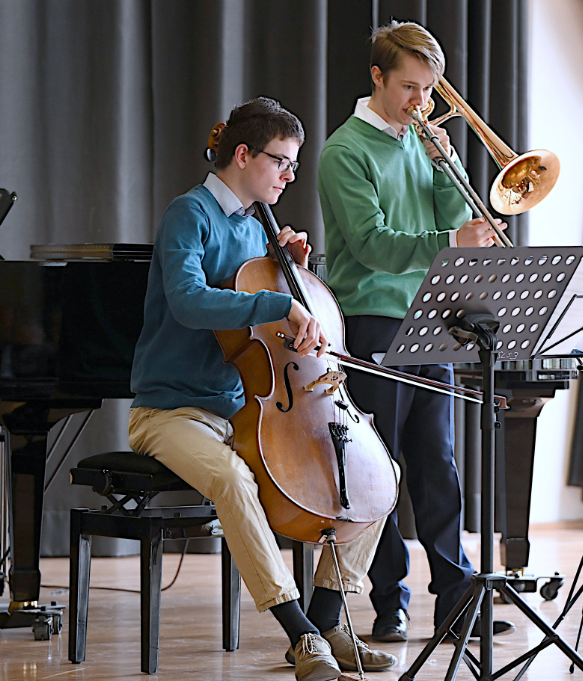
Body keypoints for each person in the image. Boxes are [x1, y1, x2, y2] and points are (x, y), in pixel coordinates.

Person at [129, 97, 397, 681]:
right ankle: (299, 634)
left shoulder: (258, 229)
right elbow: (190, 300)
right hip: (171, 410)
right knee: (232, 477)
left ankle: (330, 622)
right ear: (243, 154)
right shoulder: (189, 213)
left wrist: (290, 270)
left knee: (371, 473)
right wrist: (278, 298)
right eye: (281, 161)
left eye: (293, 165)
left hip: (244, 408)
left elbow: (265, 331)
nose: (289, 175)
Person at [316, 21, 513, 642]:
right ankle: (388, 604)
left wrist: (447, 167)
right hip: (373, 316)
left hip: (435, 316)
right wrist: (450, 241)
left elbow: (457, 219)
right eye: (408, 87)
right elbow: (372, 245)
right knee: (384, 471)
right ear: (376, 77)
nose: (420, 103)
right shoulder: (343, 151)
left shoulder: (420, 142)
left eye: (429, 90)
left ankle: (458, 602)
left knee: (440, 466)